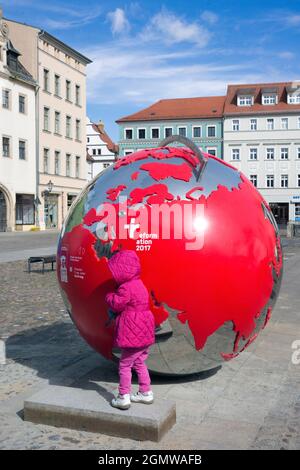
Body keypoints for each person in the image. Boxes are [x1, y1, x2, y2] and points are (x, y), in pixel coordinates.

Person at [105, 249, 155, 410]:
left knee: (125, 365)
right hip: (145, 332)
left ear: (122, 271)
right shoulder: (140, 284)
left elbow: (117, 303)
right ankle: (145, 392)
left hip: (133, 332)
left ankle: (123, 396)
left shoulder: (125, 288)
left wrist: (109, 296)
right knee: (140, 362)